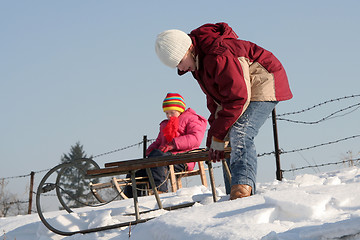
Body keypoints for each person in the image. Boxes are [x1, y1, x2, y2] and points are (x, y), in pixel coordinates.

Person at [155, 22, 293, 200]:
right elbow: (215, 101)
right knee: (225, 137)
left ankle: (242, 189)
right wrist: (214, 136)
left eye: (180, 62)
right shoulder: (199, 63)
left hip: (263, 80)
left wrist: (218, 134)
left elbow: (238, 97)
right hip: (241, 90)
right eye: (176, 66)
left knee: (240, 132)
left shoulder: (218, 54)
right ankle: (232, 194)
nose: (180, 69)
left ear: (189, 48)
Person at [123, 93, 207, 198]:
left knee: (158, 157)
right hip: (163, 158)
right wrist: (151, 149)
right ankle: (131, 198)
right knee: (137, 171)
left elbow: (195, 138)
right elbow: (159, 141)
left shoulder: (192, 119)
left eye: (172, 112)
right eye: (166, 113)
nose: (169, 116)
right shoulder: (165, 124)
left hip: (183, 158)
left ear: (180, 110)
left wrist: (173, 144)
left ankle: (160, 191)